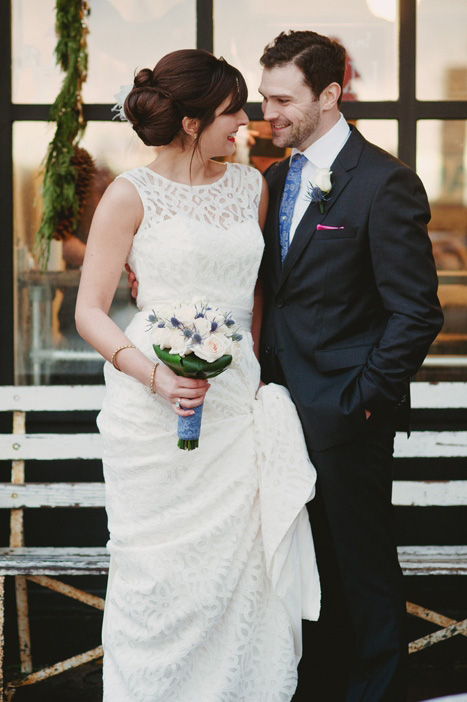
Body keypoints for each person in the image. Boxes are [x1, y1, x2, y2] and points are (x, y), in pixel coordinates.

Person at [75, 49, 320, 701]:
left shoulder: (251, 187)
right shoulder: (128, 194)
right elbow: (90, 312)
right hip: (151, 408)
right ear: (190, 122)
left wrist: (252, 375)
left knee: (236, 572)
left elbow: (256, 294)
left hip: (235, 402)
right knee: (161, 578)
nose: (245, 121)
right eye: (232, 110)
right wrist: (151, 376)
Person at [257, 31, 444, 701]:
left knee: (360, 571)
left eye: (282, 99)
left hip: (345, 415)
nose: (267, 112)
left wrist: (361, 397)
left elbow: (415, 311)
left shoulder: (383, 182)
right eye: (262, 97)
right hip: (274, 415)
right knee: (304, 570)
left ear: (330, 94)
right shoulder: (274, 177)